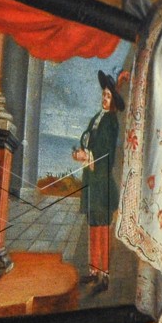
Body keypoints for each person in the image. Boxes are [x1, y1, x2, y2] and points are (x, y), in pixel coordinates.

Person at [73, 69, 125, 295]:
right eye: (103, 94)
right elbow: (87, 139)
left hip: (102, 179)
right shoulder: (97, 118)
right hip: (91, 178)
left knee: (103, 226)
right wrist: (80, 152)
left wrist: (89, 155)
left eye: (108, 96)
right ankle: (94, 271)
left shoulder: (111, 121)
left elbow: (106, 150)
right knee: (93, 223)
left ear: (113, 101)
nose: (104, 98)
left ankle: (104, 275)